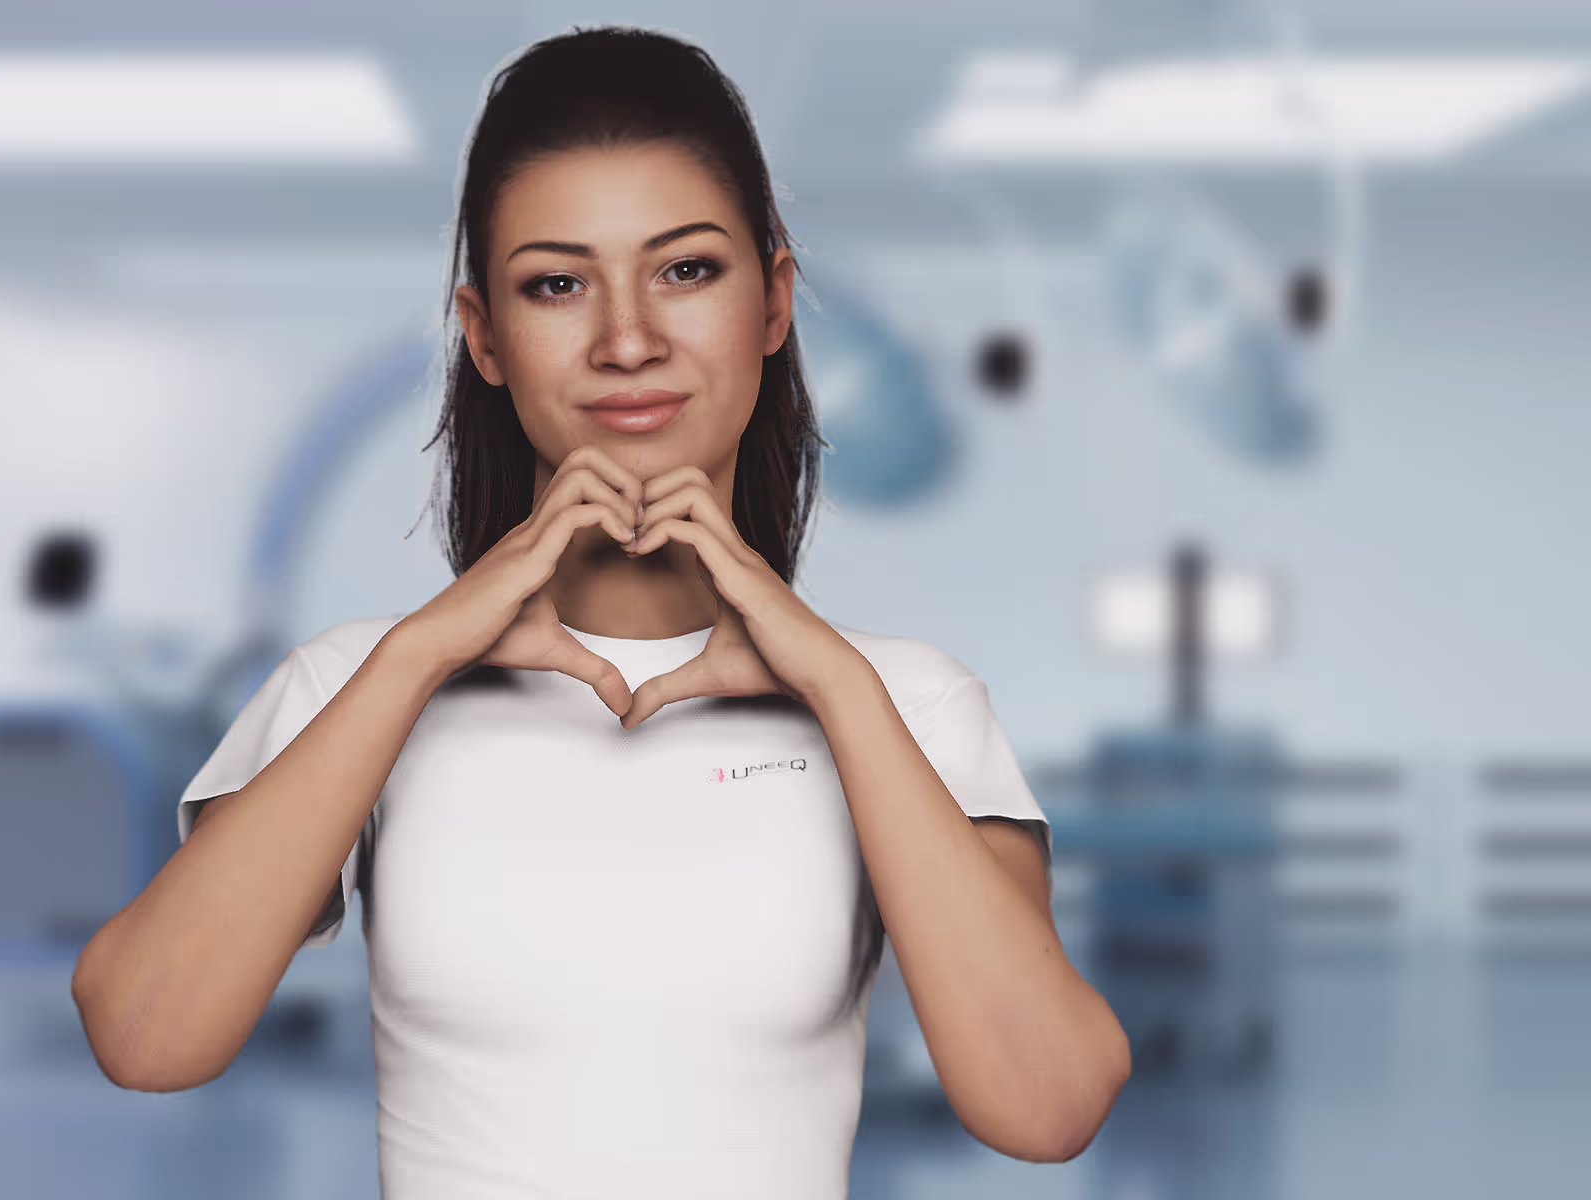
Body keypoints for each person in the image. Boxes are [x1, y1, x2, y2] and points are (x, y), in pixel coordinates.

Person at [71, 24, 1129, 1198]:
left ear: (774, 302)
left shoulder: (909, 704)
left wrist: (833, 686)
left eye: (686, 270)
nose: (627, 340)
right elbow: (144, 1034)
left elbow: (1047, 1107)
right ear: (485, 335)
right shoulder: (359, 684)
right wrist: (425, 651)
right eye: (557, 284)